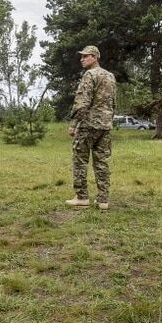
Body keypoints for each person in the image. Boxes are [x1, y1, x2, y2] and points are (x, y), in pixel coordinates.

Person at [66, 45, 116, 210]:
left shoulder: (90, 74)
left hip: (88, 124)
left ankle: (82, 197)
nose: (82, 59)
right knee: (102, 162)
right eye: (81, 57)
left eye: (85, 56)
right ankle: (103, 200)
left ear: (95, 57)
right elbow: (112, 102)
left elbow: (82, 102)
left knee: (80, 159)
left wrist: (73, 124)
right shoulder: (110, 76)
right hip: (105, 125)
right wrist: (108, 119)